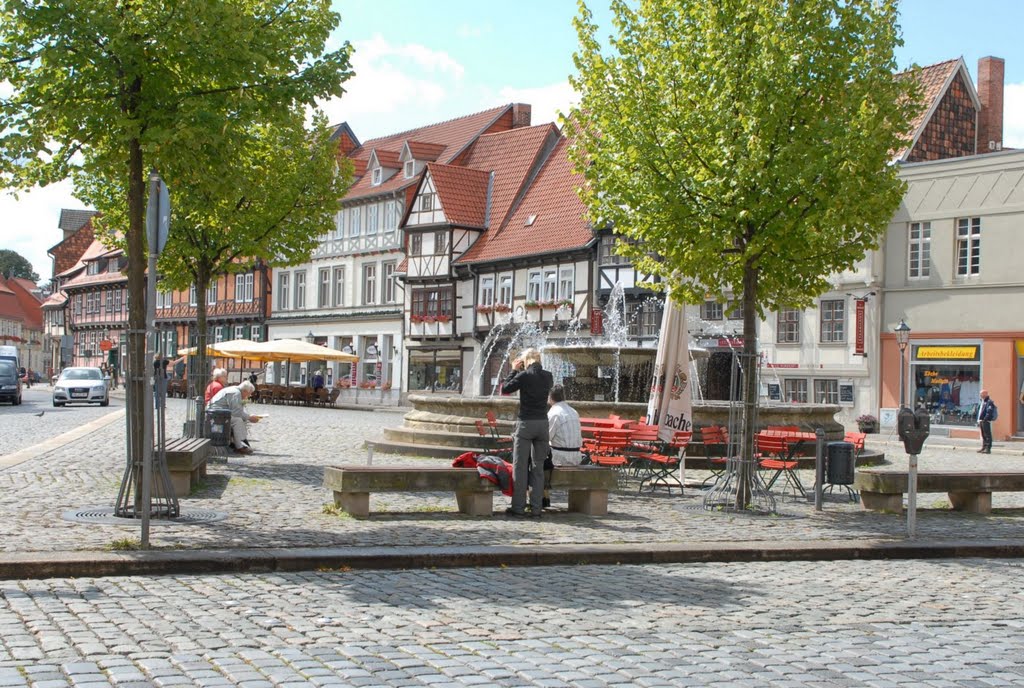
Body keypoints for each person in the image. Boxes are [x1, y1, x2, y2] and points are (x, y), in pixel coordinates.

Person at [500, 348, 553, 518]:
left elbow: (505, 389)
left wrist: (515, 370)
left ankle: (518, 507)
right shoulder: (548, 376)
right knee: (538, 468)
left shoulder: (524, 376)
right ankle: (536, 508)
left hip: (525, 424)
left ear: (525, 361)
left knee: (520, 466)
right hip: (542, 425)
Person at [542, 384, 583, 508]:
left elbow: (546, 438)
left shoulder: (554, 413)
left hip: (560, 458)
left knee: (534, 460)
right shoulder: (573, 411)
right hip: (576, 457)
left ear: (550, 397)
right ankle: (544, 497)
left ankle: (544, 497)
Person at [208, 380, 261, 455]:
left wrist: (248, 416)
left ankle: (240, 442)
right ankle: (239, 446)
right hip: (216, 415)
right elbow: (236, 412)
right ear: (245, 391)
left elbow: (237, 410)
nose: (249, 396)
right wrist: (249, 417)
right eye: (249, 394)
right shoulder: (236, 393)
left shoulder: (235, 390)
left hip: (218, 413)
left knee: (240, 420)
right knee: (237, 421)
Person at [977, 389, 996, 454]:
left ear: (985, 394)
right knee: (983, 435)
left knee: (987, 435)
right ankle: (984, 447)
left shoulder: (989, 402)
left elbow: (989, 412)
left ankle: (988, 449)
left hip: (985, 421)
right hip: (981, 420)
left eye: (981, 394)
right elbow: (980, 411)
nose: (980, 395)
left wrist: (985, 419)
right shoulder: (982, 401)